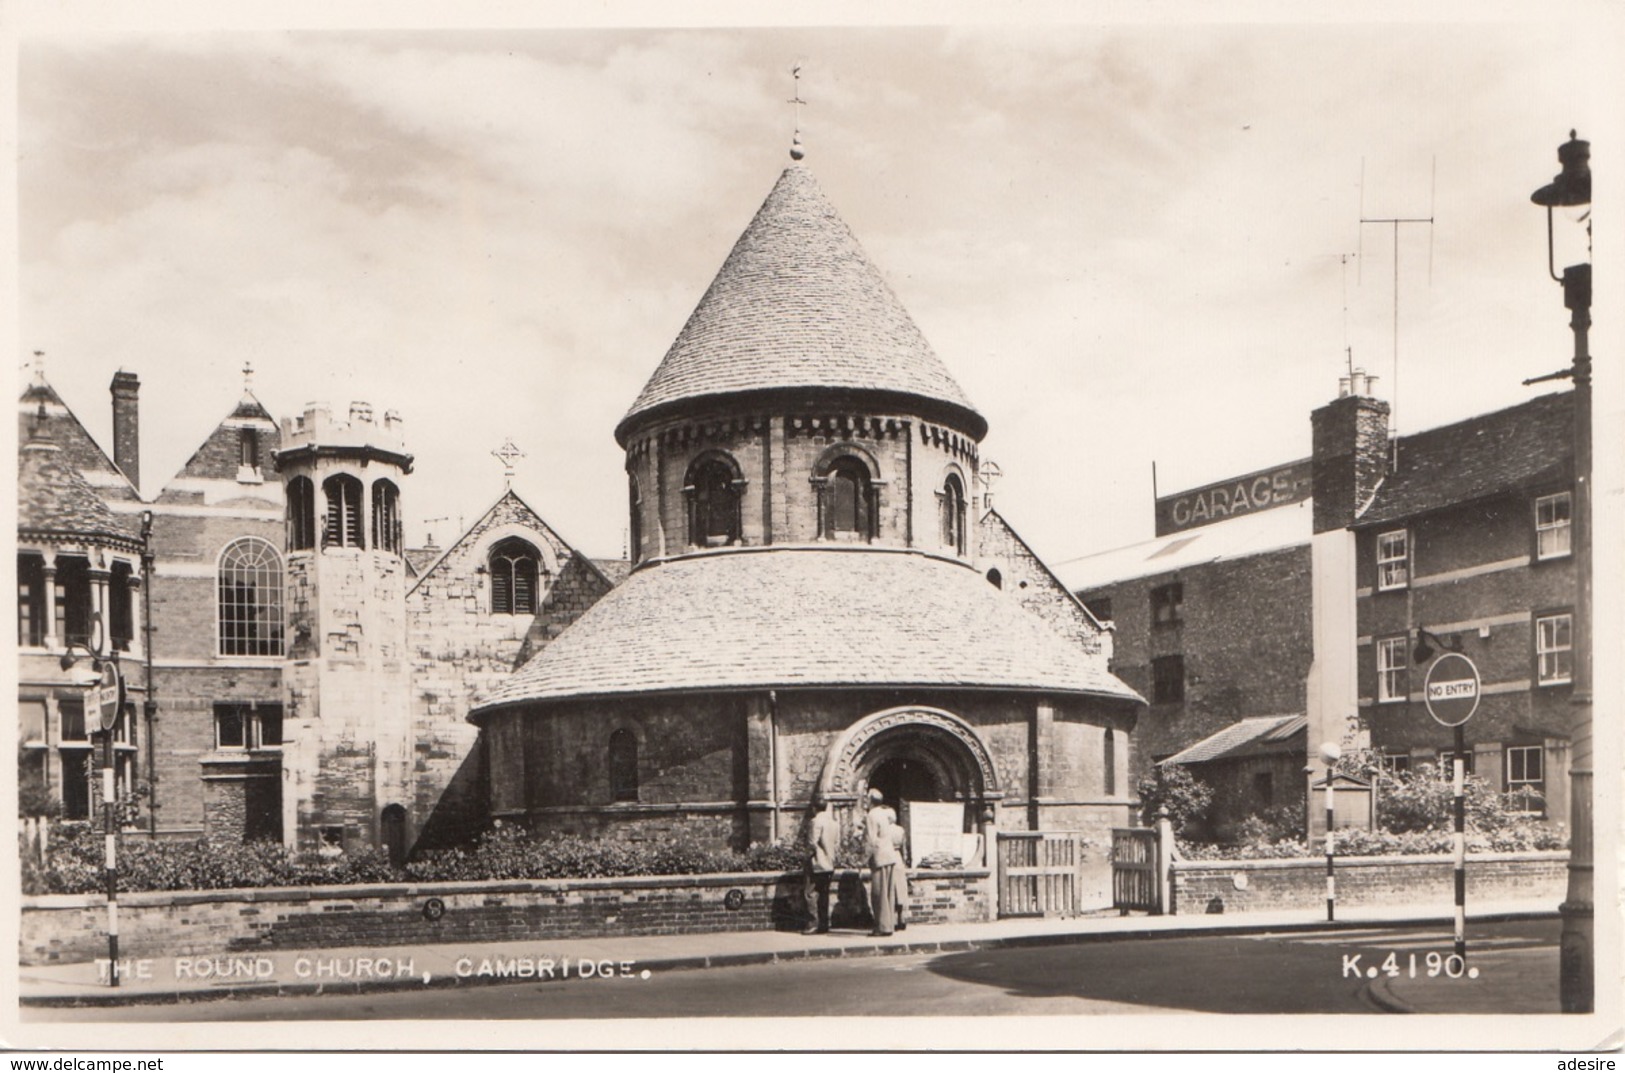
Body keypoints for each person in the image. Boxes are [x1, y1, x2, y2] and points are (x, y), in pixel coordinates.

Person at [802, 796, 839, 935]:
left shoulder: (815, 821)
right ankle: (824, 924)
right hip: (829, 863)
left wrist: (806, 857)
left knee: (810, 893)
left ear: (814, 808)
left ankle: (812, 924)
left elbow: (812, 842)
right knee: (824, 894)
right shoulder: (834, 822)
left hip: (816, 862)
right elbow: (836, 843)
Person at [866, 789, 900, 936]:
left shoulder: (871, 815)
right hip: (890, 855)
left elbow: (871, 840)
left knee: (878, 894)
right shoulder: (884, 814)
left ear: (871, 800)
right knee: (888, 894)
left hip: (880, 857)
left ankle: (881, 927)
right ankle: (889, 924)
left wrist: (864, 858)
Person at [887, 820, 910, 932]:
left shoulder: (885, 830)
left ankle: (892, 920)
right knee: (900, 890)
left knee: (891, 889)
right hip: (898, 857)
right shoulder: (900, 830)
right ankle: (902, 919)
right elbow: (904, 848)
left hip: (889, 856)